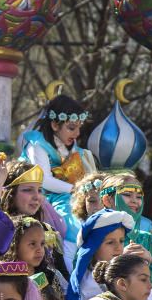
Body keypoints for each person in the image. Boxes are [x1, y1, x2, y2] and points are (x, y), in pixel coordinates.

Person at [19, 95, 97, 261]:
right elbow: (44, 180)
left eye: (78, 128)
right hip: (40, 197)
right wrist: (76, 189)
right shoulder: (37, 145)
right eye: (71, 128)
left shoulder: (71, 147)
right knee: (71, 225)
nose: (76, 134)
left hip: (68, 195)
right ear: (55, 124)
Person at [0, 158, 72, 275]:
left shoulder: (46, 230)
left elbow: (63, 274)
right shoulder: (0, 229)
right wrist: (0, 176)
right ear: (9, 194)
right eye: (28, 190)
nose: (37, 197)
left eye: (39, 190)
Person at [65, 208, 152, 300]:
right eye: (110, 242)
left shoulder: (133, 272)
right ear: (93, 247)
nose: (118, 248)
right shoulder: (85, 282)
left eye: (121, 241)